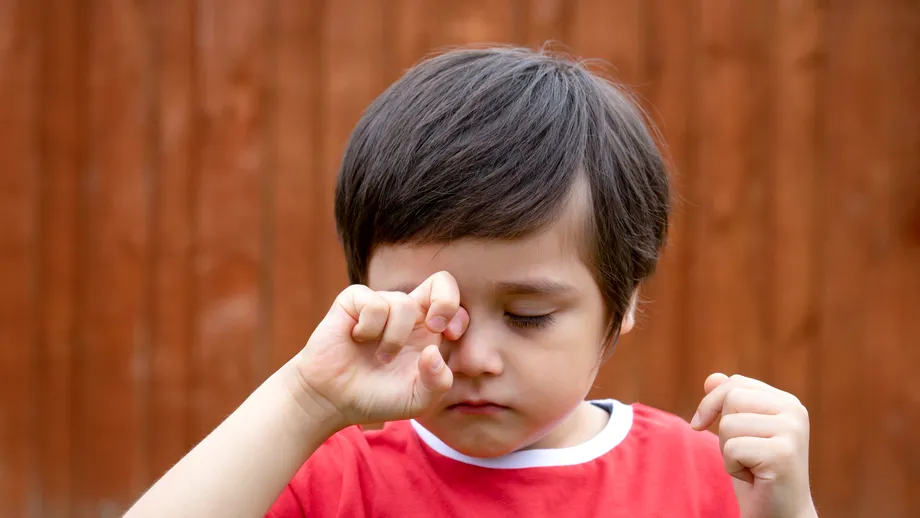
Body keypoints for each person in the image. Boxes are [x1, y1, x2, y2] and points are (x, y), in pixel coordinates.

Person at [125, 46, 817, 518]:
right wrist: (304, 399)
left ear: (624, 298)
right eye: (430, 312)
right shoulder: (334, 478)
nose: (475, 358)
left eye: (527, 315)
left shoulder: (708, 480)